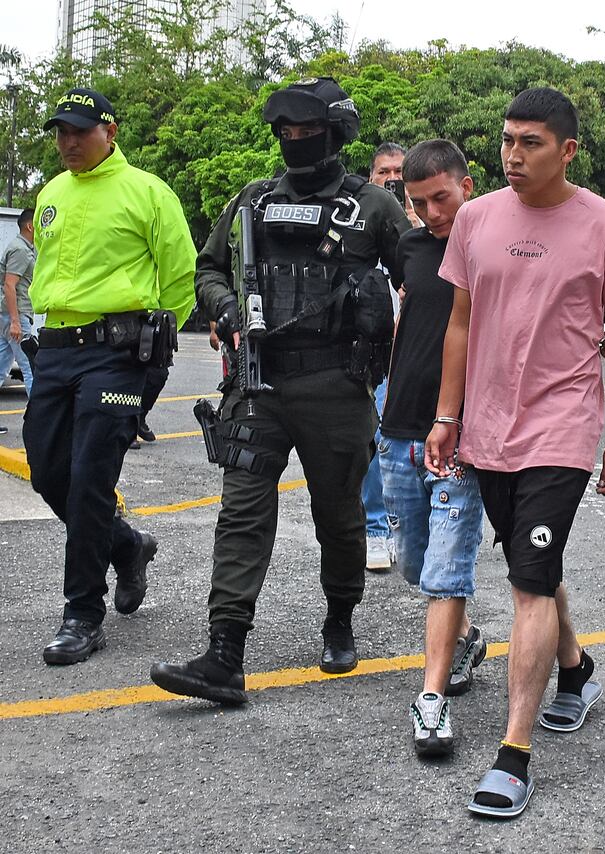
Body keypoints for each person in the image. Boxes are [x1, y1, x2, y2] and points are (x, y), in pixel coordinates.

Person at [425, 87, 605, 818]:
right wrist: (447, 416)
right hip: (488, 427)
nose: (513, 155)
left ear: (568, 151)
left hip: (562, 426)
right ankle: (577, 671)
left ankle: (513, 755)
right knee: (534, 564)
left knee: (527, 580)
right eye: (507, 140)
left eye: (531, 143)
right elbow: (459, 324)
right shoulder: (477, 219)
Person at [150, 77, 409, 703]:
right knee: (241, 514)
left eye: (306, 132)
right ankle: (224, 653)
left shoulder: (372, 208)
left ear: (335, 133)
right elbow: (208, 268)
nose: (295, 143)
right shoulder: (252, 200)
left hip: (336, 385)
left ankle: (340, 619)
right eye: (286, 133)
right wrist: (225, 308)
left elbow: (420, 282)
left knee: (339, 519)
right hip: (258, 381)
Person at [25, 87, 195, 664]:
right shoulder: (52, 193)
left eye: (79, 131)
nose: (68, 142)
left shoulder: (148, 192)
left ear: (110, 131)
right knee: (48, 471)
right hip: (56, 349)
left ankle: (81, 615)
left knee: (90, 475)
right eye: (60, 132)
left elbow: (180, 278)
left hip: (117, 353)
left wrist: (151, 351)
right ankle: (127, 544)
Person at [380, 139, 488, 757]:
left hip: (464, 432)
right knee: (414, 566)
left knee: (446, 572)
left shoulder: (493, 247)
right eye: (417, 202)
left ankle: (432, 699)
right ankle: (467, 639)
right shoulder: (411, 247)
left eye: (440, 198)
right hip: (399, 425)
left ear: (466, 186)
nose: (431, 213)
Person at [360, 141, 411, 571]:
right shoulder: (359, 231)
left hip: (415, 357)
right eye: (384, 173)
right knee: (373, 441)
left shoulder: (423, 229)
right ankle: (376, 528)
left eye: (400, 172)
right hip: (375, 358)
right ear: (370, 179)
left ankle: (408, 524)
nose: (392, 180)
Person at [1, 207, 36, 397]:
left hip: (7, 316)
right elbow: (9, 285)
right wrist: (15, 321)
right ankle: (39, 424)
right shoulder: (21, 250)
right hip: (16, 316)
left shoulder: (20, 247)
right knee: (30, 368)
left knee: (0, 367)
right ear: (30, 226)